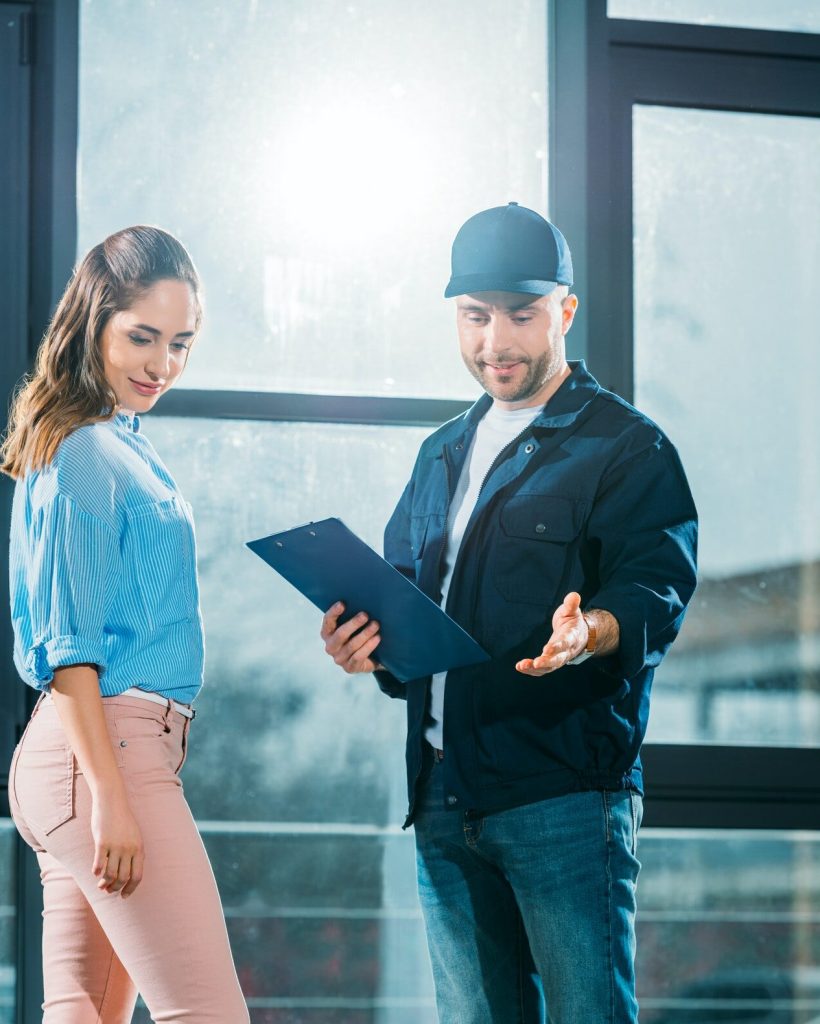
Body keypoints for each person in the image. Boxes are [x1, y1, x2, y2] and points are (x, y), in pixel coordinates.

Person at [320, 202, 698, 1023]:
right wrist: (367, 645)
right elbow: (407, 607)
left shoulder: (627, 448)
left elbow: (654, 591)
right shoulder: (441, 452)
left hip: (561, 797)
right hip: (445, 800)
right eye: (475, 317)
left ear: (564, 311)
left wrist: (589, 631)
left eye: (521, 316)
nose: (496, 341)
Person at [3, 226, 249, 1023]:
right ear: (93, 323)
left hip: (88, 760)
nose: (162, 365)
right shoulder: (81, 452)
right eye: (142, 337)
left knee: (84, 1015)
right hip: (104, 755)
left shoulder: (120, 445)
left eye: (180, 343)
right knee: (208, 1014)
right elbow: (67, 646)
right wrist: (111, 795)